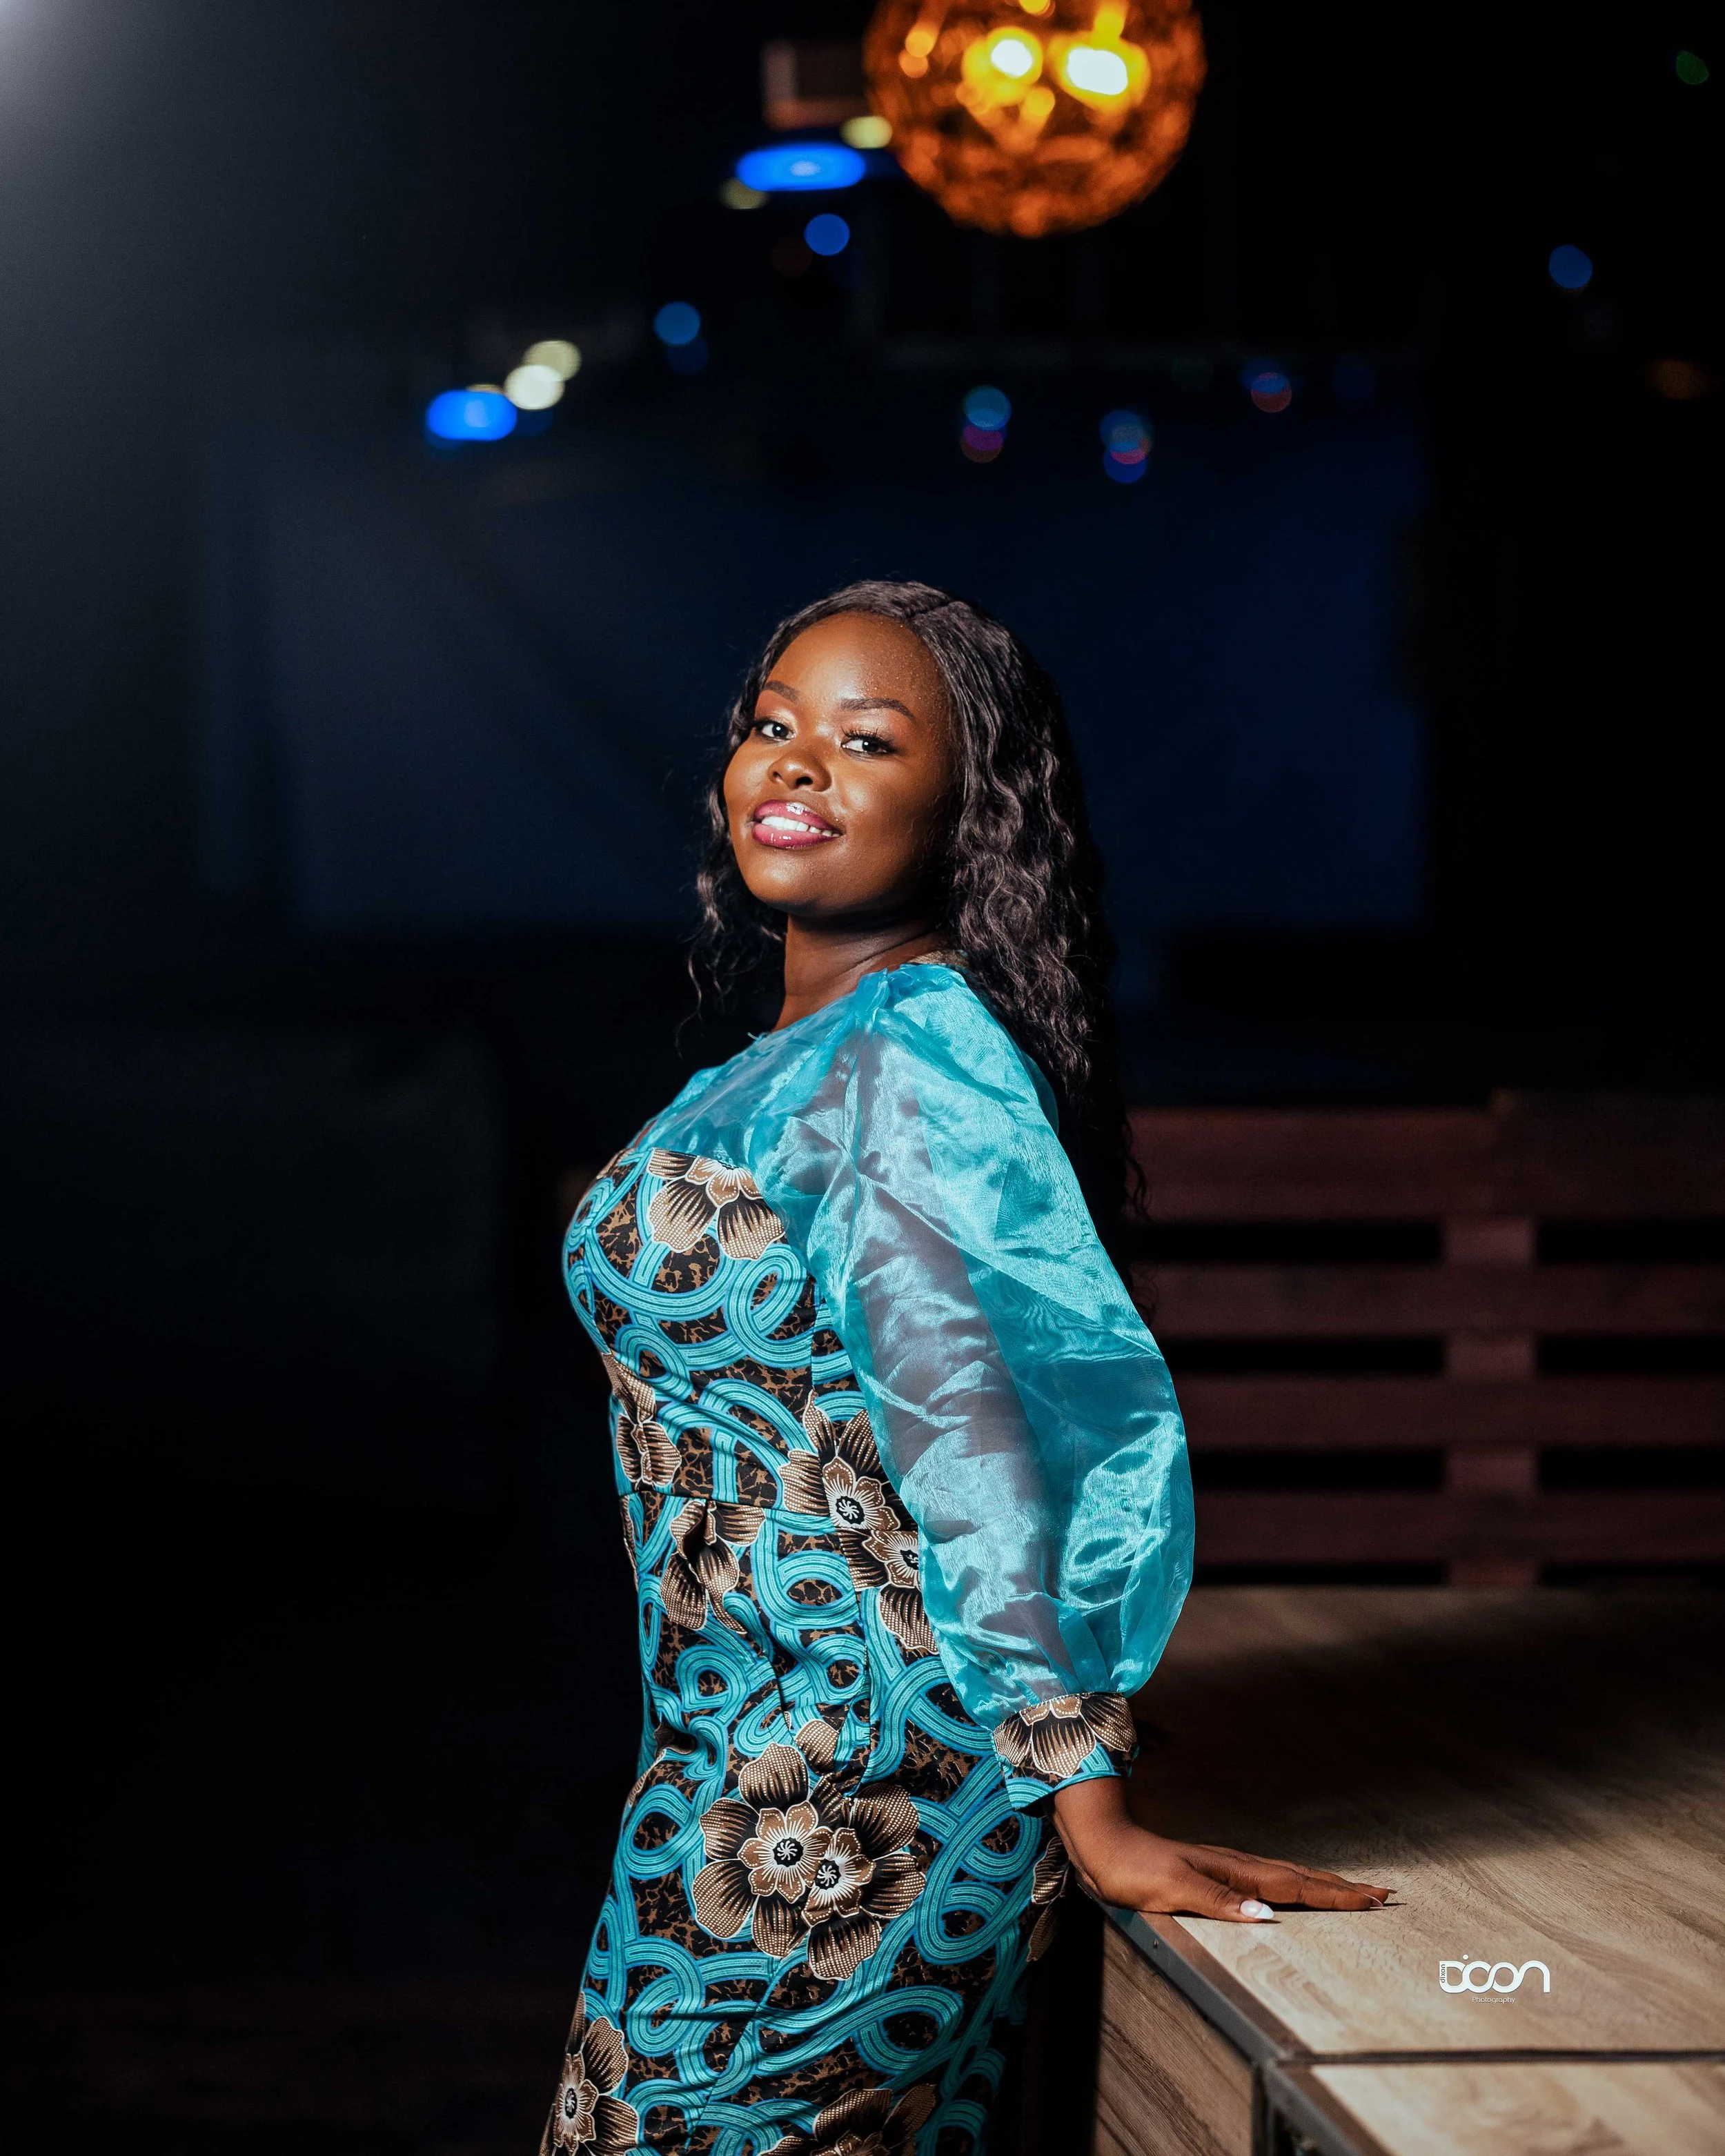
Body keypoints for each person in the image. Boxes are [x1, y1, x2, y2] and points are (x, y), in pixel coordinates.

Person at [544, 582, 1388, 2156]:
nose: (796, 763)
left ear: (966, 806)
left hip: (863, 1799)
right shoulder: (802, 1056)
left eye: (866, 741)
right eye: (772, 724)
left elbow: (979, 1437)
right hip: (736, 1766)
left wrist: (1089, 1805)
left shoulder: (909, 1053)